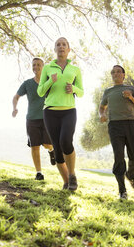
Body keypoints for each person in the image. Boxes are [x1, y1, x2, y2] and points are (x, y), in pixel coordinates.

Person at [37, 37, 83, 191]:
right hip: (50, 112)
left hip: (69, 111)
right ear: (55, 49)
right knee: (56, 148)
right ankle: (66, 183)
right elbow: (40, 91)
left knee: (65, 141)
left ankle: (72, 175)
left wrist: (74, 89)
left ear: (69, 49)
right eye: (58, 45)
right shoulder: (48, 68)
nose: (61, 47)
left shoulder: (75, 69)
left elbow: (81, 92)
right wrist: (50, 81)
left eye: (64, 44)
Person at [99, 65, 134, 200]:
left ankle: (130, 176)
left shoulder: (130, 89)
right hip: (114, 126)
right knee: (118, 157)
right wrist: (101, 115)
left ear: (124, 75)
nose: (116, 74)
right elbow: (101, 107)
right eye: (113, 72)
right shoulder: (108, 91)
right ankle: (122, 190)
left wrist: (131, 97)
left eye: (119, 72)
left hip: (130, 124)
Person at [12, 57, 56, 181]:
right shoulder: (27, 84)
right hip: (32, 119)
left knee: (47, 144)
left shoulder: (49, 82)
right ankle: (39, 173)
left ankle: (52, 150)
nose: (35, 67)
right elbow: (16, 97)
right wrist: (15, 108)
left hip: (47, 118)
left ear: (43, 67)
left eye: (38, 65)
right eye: (34, 65)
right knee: (34, 146)